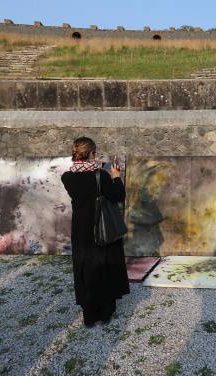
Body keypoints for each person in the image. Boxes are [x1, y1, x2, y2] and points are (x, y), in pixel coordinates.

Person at [60, 137, 130, 327]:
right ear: (91, 154)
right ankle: (106, 312)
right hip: (101, 228)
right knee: (105, 267)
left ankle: (89, 316)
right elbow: (118, 196)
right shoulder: (101, 175)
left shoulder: (67, 177)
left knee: (85, 269)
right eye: (95, 152)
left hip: (81, 231)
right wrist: (115, 177)